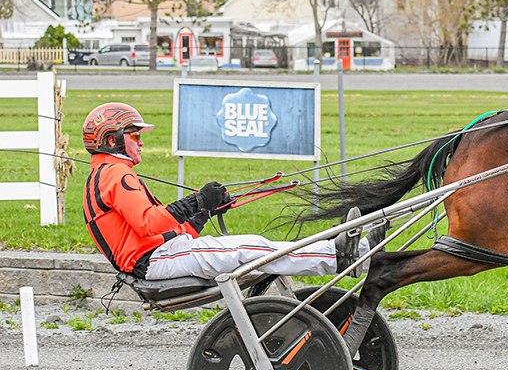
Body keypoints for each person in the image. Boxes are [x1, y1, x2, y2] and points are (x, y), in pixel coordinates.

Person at [81, 102, 382, 281]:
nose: (141, 141)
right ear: (113, 140)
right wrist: (196, 200)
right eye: (135, 135)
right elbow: (149, 222)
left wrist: (200, 215)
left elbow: (152, 231)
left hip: (160, 255)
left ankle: (345, 250)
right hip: (156, 260)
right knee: (251, 248)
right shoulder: (115, 174)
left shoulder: (106, 173)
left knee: (256, 246)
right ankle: (342, 257)